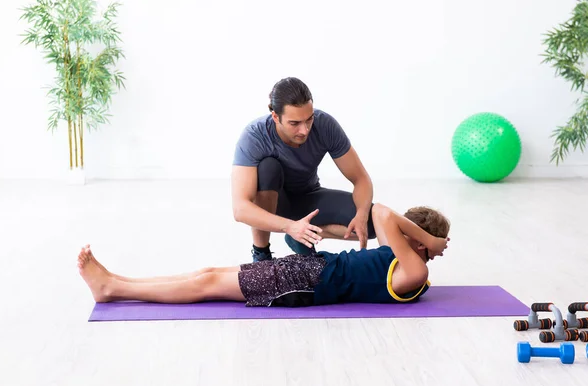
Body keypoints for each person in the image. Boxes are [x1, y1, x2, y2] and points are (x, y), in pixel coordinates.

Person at [77, 203, 450, 307]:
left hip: (306, 283)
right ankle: (118, 281)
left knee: (207, 283)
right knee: (207, 271)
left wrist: (427, 243)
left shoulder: (413, 272)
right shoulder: (404, 255)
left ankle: (111, 289)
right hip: (308, 269)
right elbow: (383, 213)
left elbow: (384, 215)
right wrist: (428, 240)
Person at [232, 77, 375, 262]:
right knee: (268, 167)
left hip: (308, 197)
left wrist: (362, 215)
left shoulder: (325, 125)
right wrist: (289, 226)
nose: (304, 130)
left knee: (371, 224)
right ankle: (261, 254)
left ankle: (302, 235)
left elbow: (361, 179)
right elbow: (240, 209)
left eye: (309, 119)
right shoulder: (254, 136)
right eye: (294, 123)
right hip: (275, 205)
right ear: (275, 116)